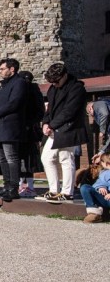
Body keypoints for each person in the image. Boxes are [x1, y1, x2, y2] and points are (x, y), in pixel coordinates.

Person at [40, 63, 88, 204]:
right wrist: (45, 123)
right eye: (52, 82)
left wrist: (52, 125)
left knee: (66, 159)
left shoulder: (77, 88)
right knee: (46, 158)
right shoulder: (53, 88)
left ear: (64, 75)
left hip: (69, 128)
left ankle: (67, 192)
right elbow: (49, 109)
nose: (54, 84)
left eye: (56, 81)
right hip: (54, 128)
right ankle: (53, 190)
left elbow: (69, 111)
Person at [0, 58, 26, 201]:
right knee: (2, 158)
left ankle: (14, 188)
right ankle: (6, 186)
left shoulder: (19, 83)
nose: (0, 72)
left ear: (12, 69)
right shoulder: (3, 86)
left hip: (10, 126)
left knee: (11, 157)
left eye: (2, 69)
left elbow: (14, 103)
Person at [17, 71, 45, 198]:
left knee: (29, 160)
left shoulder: (33, 91)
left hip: (29, 130)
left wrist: (29, 123)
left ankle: (29, 186)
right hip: (19, 129)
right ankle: (20, 184)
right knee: (18, 158)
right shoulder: (20, 90)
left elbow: (40, 111)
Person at [80, 156, 110, 223]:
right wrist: (101, 187)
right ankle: (94, 213)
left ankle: (103, 214)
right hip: (104, 198)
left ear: (106, 163)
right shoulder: (103, 173)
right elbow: (96, 184)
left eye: (101, 162)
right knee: (85, 187)